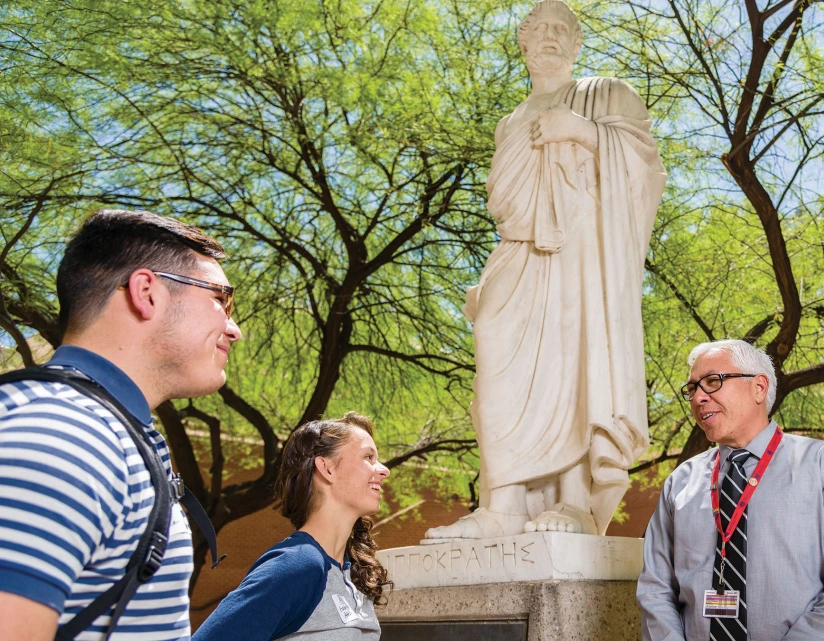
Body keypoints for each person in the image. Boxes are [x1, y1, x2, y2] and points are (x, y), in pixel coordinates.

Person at [424, 0, 666, 540]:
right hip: (516, 255)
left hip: (581, 255)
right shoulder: (509, 121)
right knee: (494, 362)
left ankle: (575, 504)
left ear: (576, 44)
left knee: (576, 364)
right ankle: (502, 505)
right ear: (524, 41)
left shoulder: (607, 94)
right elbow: (510, 205)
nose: (552, 37)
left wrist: (582, 132)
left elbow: (645, 169)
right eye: (541, 29)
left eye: (564, 30)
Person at [0, 209, 242, 640]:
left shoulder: (97, 431)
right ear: (146, 292)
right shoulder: (64, 435)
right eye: (221, 299)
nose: (233, 328)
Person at [638, 339, 824, 641]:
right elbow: (656, 589)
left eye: (712, 382)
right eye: (692, 389)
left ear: (759, 387)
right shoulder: (680, 483)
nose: (698, 398)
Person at [193, 412, 389, 641]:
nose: (384, 470)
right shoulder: (298, 565)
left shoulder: (352, 571)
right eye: (368, 457)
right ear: (327, 469)